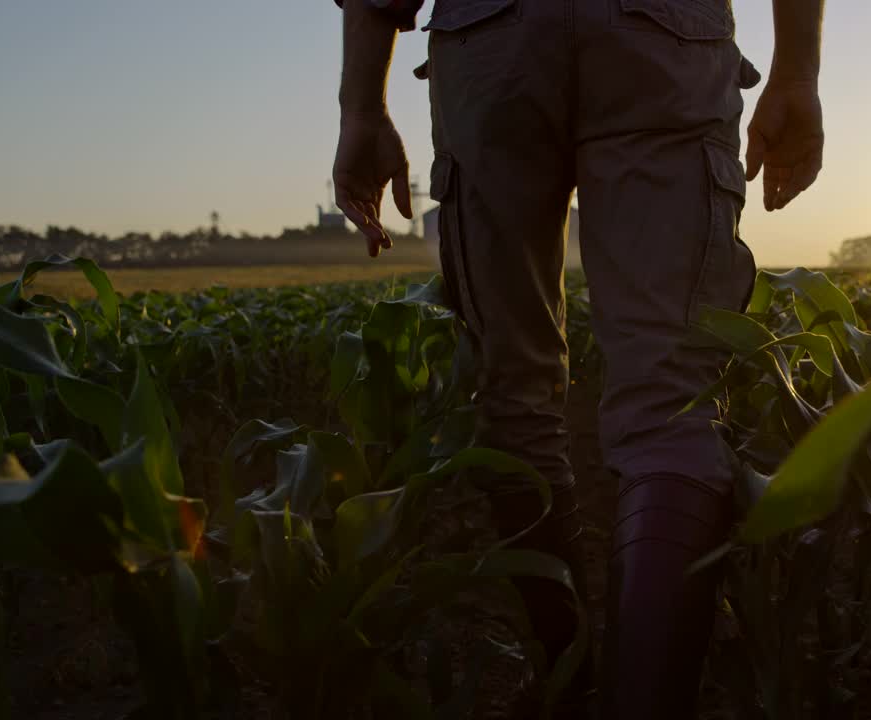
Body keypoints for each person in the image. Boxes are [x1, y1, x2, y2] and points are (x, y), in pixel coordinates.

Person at [332, 1, 824, 717]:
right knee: (671, 406)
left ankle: (573, 692)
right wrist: (797, 73)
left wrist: (361, 108)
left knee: (515, 397)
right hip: (664, 34)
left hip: (491, 37)